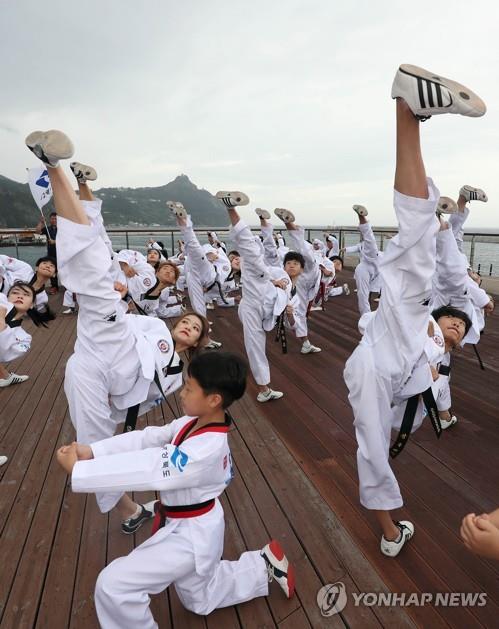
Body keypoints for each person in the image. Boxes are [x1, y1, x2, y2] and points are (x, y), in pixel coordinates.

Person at [25, 129, 210, 533]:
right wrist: (121, 295)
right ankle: (62, 171)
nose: (188, 326)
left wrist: (118, 404)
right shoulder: (152, 327)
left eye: (194, 328)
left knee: (94, 441)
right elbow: (126, 320)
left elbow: (143, 404)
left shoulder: (178, 373)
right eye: (186, 321)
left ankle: (125, 508)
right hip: (111, 344)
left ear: (196, 342)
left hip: (109, 378)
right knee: (99, 269)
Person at [343, 63, 485, 557]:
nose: (456, 326)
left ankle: (408, 112)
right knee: (417, 245)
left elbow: (428, 383)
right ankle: (408, 111)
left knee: (417, 247)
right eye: (456, 321)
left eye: (460, 328)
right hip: (390, 348)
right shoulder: (416, 338)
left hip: (392, 358)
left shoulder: (436, 351)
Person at [56, 351, 294, 628]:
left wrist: (81, 471)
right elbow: (148, 440)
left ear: (214, 400)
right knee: (200, 599)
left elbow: (153, 466)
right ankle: (262, 565)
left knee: (114, 585)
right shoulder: (192, 423)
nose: (182, 393)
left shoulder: (207, 449)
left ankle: (258, 567)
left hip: (192, 536)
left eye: (189, 388)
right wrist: (93, 451)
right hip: (191, 523)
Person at [216, 193, 299, 402]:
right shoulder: (257, 267)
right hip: (252, 305)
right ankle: (264, 389)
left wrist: (280, 293)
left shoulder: (280, 281)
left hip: (266, 307)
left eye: (296, 264)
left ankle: (264, 389)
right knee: (255, 346)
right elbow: (250, 246)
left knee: (258, 258)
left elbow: (291, 322)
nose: (291, 266)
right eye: (289, 263)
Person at [36, 212, 58, 293]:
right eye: (52, 218)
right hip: (51, 253)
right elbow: (38, 232)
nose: (54, 220)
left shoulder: (63, 229)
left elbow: (66, 241)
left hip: (62, 254)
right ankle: (54, 286)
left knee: (64, 271)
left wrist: (55, 241)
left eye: (56, 219)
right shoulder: (47, 229)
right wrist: (41, 222)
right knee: (52, 271)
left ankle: (68, 287)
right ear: (50, 220)